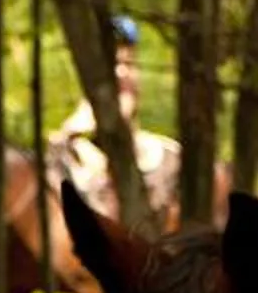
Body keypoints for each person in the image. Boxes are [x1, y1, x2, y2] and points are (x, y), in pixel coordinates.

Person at [54, 12, 179, 211]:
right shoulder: (66, 156)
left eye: (129, 64)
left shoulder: (170, 160)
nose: (121, 73)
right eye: (113, 65)